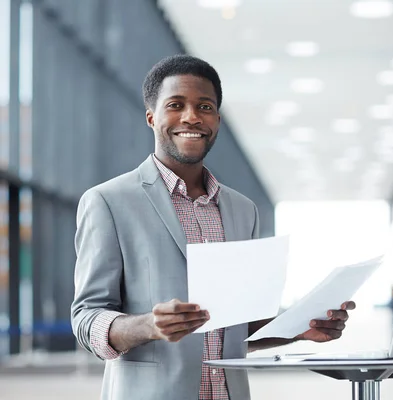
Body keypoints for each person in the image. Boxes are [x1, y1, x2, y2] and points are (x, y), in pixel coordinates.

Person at [70, 55, 355, 400]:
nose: (192, 116)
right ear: (151, 117)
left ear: (217, 120)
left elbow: (236, 329)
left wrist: (300, 327)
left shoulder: (242, 209)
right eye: (176, 105)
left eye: (204, 106)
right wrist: (149, 325)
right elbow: (86, 319)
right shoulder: (108, 202)